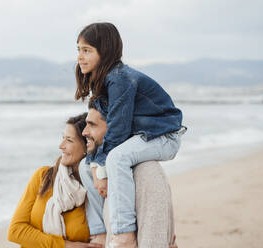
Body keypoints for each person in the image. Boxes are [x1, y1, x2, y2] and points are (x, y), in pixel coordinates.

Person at [75, 22, 186, 247]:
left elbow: (118, 130)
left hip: (163, 136)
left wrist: (104, 168)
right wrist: (96, 167)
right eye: (78, 50)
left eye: (86, 50)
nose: (80, 56)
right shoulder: (102, 82)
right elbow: (108, 134)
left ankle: (124, 232)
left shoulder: (120, 79)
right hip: (142, 136)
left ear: (104, 51)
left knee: (117, 158)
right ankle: (98, 233)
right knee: (85, 167)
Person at [80, 103, 178, 248]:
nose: (84, 132)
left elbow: (153, 241)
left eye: (92, 125)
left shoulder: (148, 173)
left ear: (116, 129)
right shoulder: (111, 175)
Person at [8, 113, 103, 248]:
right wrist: (65, 245)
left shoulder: (94, 187)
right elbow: (15, 231)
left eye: (69, 140)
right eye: (62, 138)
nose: (61, 146)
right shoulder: (43, 176)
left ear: (86, 146)